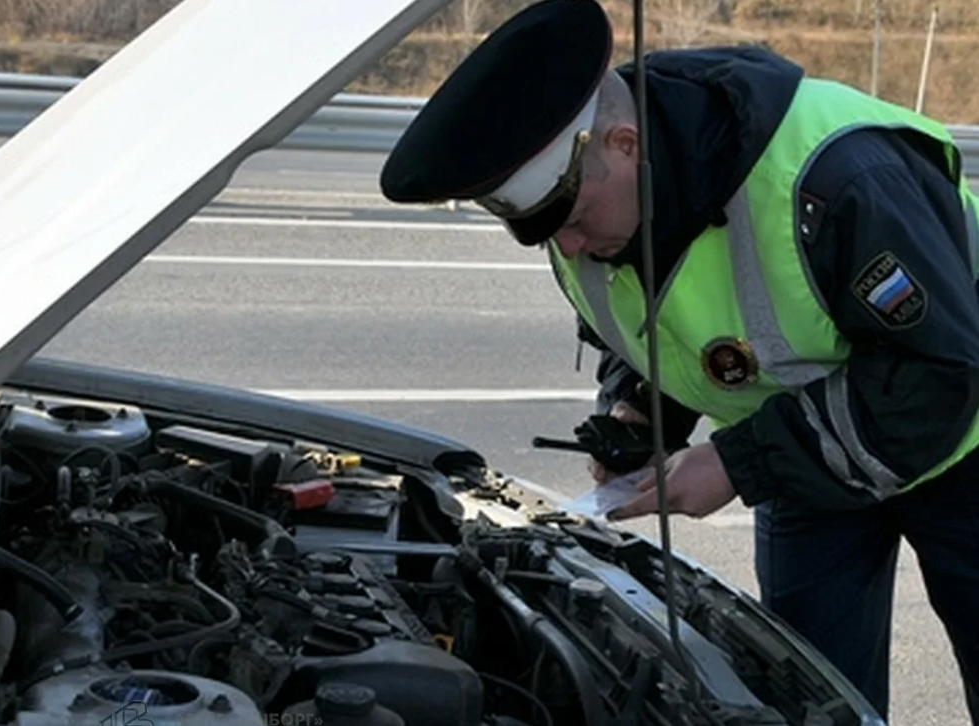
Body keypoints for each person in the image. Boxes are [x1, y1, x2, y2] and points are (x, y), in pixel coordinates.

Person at [378, 0, 979, 720]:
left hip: (964, 435)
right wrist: (639, 413)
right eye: (545, 234)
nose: (568, 250)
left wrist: (738, 464)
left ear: (627, 143)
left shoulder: (838, 176)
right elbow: (654, 325)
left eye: (572, 222)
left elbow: (943, 372)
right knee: (809, 700)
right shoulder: (580, 215)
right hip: (810, 456)